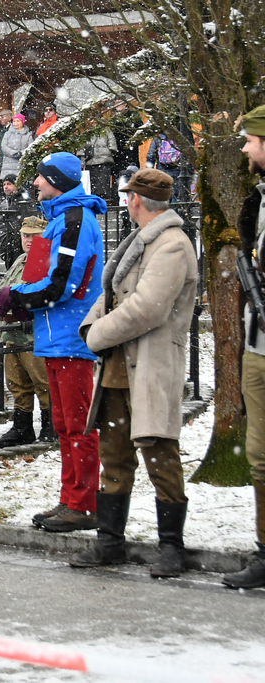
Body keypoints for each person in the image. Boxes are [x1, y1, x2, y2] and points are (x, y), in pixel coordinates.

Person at [68, 169, 196, 578]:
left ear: (136, 201)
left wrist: (96, 335)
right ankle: (110, 542)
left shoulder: (172, 245)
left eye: (129, 197)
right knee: (115, 458)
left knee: (160, 455)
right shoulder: (140, 242)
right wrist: (92, 325)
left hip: (151, 368)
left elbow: (147, 308)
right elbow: (111, 294)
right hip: (118, 370)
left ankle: (171, 547)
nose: (127, 202)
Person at [0, 152, 105, 533]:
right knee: (64, 424)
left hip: (70, 336)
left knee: (76, 424)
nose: (36, 184)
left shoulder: (74, 221)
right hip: (57, 334)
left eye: (42, 178)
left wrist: (18, 297)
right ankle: (70, 499)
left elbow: (64, 282)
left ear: (57, 181)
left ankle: (83, 503)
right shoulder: (64, 219)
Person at [226, 104, 265, 589]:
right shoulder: (258, 199)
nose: (244, 148)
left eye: (251, 139)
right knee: (259, 454)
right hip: (259, 344)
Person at [0, 216, 54, 448]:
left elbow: (47, 294)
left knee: (42, 382)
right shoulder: (21, 260)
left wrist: (28, 311)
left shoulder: (46, 261)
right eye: (25, 235)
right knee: (17, 383)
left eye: (34, 236)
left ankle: (50, 427)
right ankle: (22, 426)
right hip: (12, 333)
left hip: (32, 335)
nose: (28, 240)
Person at [146, 134, 188, 202]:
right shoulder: (178, 135)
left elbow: (150, 155)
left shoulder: (158, 137)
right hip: (177, 170)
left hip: (162, 171)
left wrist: (148, 172)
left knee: (163, 195)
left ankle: (164, 210)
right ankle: (174, 210)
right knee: (176, 195)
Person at [81, 131, 119, 203]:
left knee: (101, 182)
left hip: (99, 161)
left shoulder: (105, 131)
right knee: (98, 182)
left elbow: (112, 145)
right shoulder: (88, 132)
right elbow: (112, 144)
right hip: (95, 161)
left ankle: (101, 198)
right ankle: (100, 198)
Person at [0, 114, 34, 180]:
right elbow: (4, 146)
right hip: (8, 165)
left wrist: (22, 153)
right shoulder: (7, 134)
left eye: (18, 121)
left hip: (22, 164)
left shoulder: (28, 135)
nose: (15, 123)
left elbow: (31, 147)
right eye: (14, 121)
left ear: (22, 122)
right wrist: (13, 153)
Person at [0, 109, 13, 189]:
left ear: (9, 118)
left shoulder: (12, 130)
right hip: (1, 162)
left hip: (9, 163)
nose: (0, 119)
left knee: (9, 185)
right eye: (0, 117)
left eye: (3, 117)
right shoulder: (1, 131)